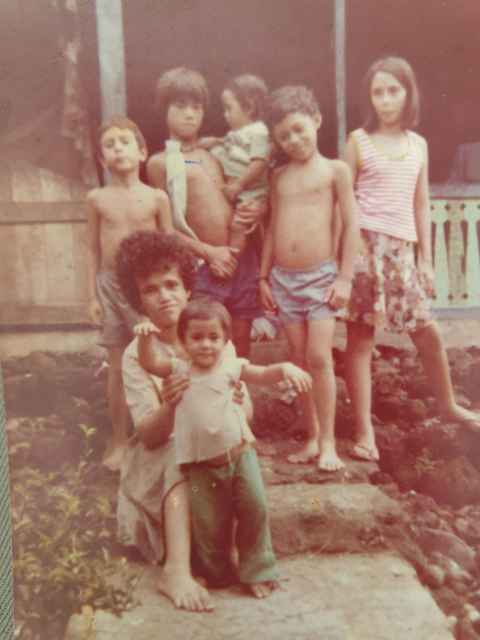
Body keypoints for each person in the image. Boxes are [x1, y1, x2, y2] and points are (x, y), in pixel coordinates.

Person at [343, 56, 480, 462]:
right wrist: (349, 261)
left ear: (408, 94)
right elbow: (345, 200)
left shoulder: (417, 144)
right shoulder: (358, 141)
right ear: (369, 98)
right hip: (366, 248)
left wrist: (425, 258)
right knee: (361, 340)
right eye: (378, 92)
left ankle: (449, 404)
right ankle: (364, 430)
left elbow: (421, 204)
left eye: (393, 91)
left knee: (428, 332)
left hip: (402, 251)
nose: (386, 100)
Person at [116, 230, 257, 611]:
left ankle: (245, 556)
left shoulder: (212, 336)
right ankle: (175, 570)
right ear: (138, 299)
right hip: (162, 454)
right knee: (181, 450)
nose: (164, 296)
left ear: (187, 288)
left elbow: (246, 416)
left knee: (237, 454)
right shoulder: (136, 355)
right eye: (150, 289)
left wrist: (241, 402)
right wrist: (170, 405)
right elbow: (147, 435)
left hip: (212, 446)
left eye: (171, 284)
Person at [135, 297, 311, 597]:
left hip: (240, 453)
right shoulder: (179, 369)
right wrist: (145, 337)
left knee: (255, 507)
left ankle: (258, 570)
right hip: (200, 465)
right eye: (197, 337)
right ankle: (217, 576)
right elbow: (150, 362)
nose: (206, 345)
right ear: (183, 341)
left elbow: (263, 374)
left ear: (226, 339)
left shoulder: (231, 366)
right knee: (208, 525)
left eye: (214, 337)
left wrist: (285, 368)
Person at [259, 86, 358, 472]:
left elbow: (351, 225)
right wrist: (263, 277)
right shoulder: (279, 176)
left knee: (319, 358)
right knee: (298, 362)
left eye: (299, 129)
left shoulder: (336, 170)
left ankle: (330, 442)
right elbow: (270, 230)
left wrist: (345, 278)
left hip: (321, 279)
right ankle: (312, 437)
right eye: (284, 136)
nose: (294, 140)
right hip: (283, 280)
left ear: (316, 120)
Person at [147, 67, 262, 357]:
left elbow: (248, 188)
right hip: (204, 265)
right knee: (207, 347)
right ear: (164, 110)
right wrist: (209, 253)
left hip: (240, 257)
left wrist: (257, 210)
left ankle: (239, 400)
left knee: (241, 343)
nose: (190, 114)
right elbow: (165, 229)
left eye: (196, 108)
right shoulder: (160, 163)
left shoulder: (216, 153)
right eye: (181, 107)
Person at [86, 116, 174, 471]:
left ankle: (163, 433)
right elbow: (92, 249)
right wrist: (90, 296)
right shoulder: (97, 199)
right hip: (110, 285)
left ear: (141, 152)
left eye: (124, 141)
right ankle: (120, 440)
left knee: (157, 358)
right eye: (109, 144)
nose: (117, 148)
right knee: (118, 366)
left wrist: (168, 293)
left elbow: (169, 248)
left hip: (147, 286)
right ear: (102, 157)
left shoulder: (156, 197)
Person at [199, 73, 271, 254]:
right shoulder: (239, 132)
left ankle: (233, 258)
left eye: (229, 109)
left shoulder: (259, 132)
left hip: (251, 192)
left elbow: (259, 162)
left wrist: (239, 185)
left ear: (248, 107)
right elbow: (227, 142)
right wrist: (214, 141)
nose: (225, 115)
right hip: (238, 190)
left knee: (238, 225)